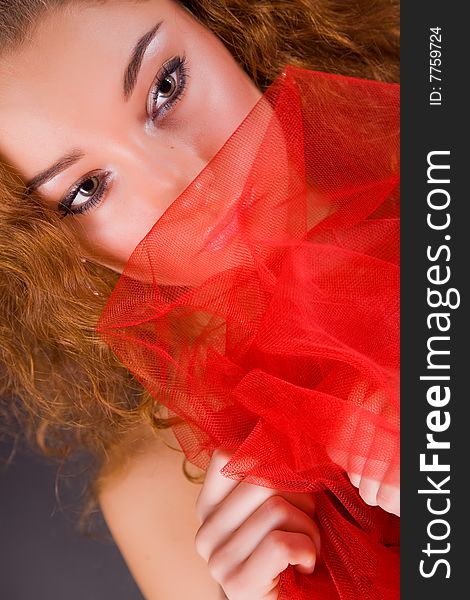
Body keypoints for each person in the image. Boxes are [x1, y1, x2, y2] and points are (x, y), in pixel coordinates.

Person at [0, 1, 400, 599]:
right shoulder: (155, 494)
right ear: (45, 246)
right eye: (86, 190)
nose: (184, 181)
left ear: (229, 26)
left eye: (166, 86)